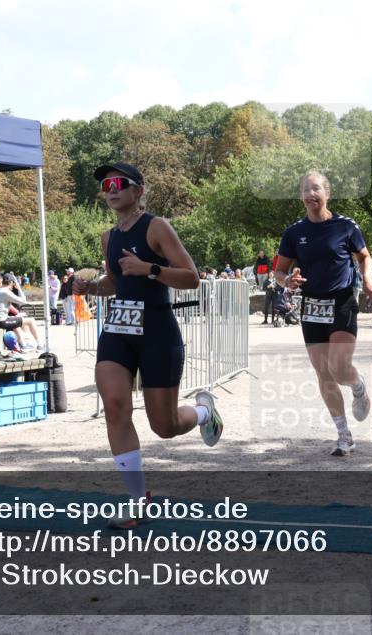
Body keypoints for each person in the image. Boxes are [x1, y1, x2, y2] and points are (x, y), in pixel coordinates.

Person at [83, 162, 223, 526]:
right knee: (114, 404)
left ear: (139, 190)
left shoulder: (157, 228)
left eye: (119, 183)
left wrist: (151, 269)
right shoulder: (108, 237)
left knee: (165, 425)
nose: (111, 189)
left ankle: (205, 412)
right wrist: (93, 286)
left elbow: (192, 278)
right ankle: (136, 499)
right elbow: (117, 281)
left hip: (158, 330)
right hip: (118, 330)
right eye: (106, 185)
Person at [275, 170, 372, 457]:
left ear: (327, 193)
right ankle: (343, 434)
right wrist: (287, 281)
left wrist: (368, 279)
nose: (311, 195)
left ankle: (358, 387)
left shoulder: (346, 226)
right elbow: (280, 271)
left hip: (342, 300)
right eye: (306, 190)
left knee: (339, 367)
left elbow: (365, 256)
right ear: (301, 196)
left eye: (316, 189)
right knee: (323, 371)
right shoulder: (294, 233)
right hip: (311, 305)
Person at [0, 273, 42, 347]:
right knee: (31, 320)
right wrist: (18, 287)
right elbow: (24, 301)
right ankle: (40, 345)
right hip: (0, 321)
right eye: (13, 283)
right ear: (11, 282)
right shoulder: (5, 292)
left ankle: (23, 344)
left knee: (15, 321)